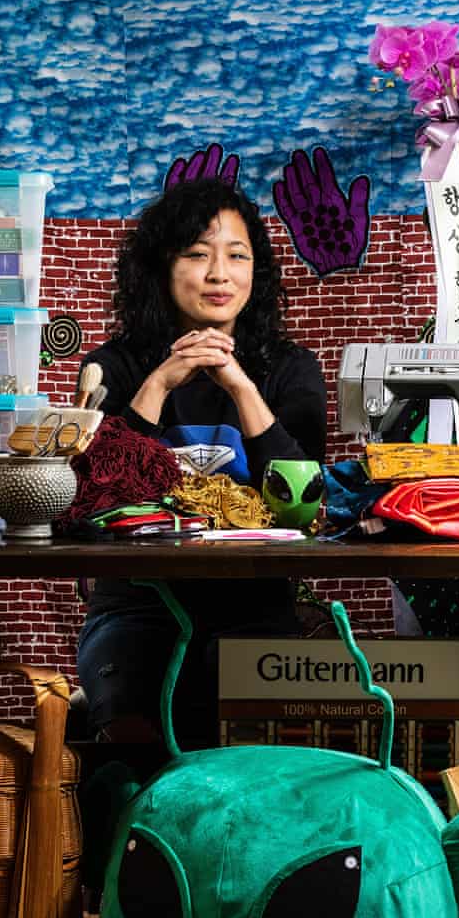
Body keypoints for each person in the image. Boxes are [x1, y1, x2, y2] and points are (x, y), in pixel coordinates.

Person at [75, 178, 327, 760]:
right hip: (136, 607)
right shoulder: (113, 366)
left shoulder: (289, 369)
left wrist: (241, 389)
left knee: (255, 755)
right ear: (161, 267)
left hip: (256, 605)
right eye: (196, 254)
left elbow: (303, 506)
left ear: (256, 272)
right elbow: (94, 498)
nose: (219, 275)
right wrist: (159, 384)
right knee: (137, 746)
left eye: (237, 256)